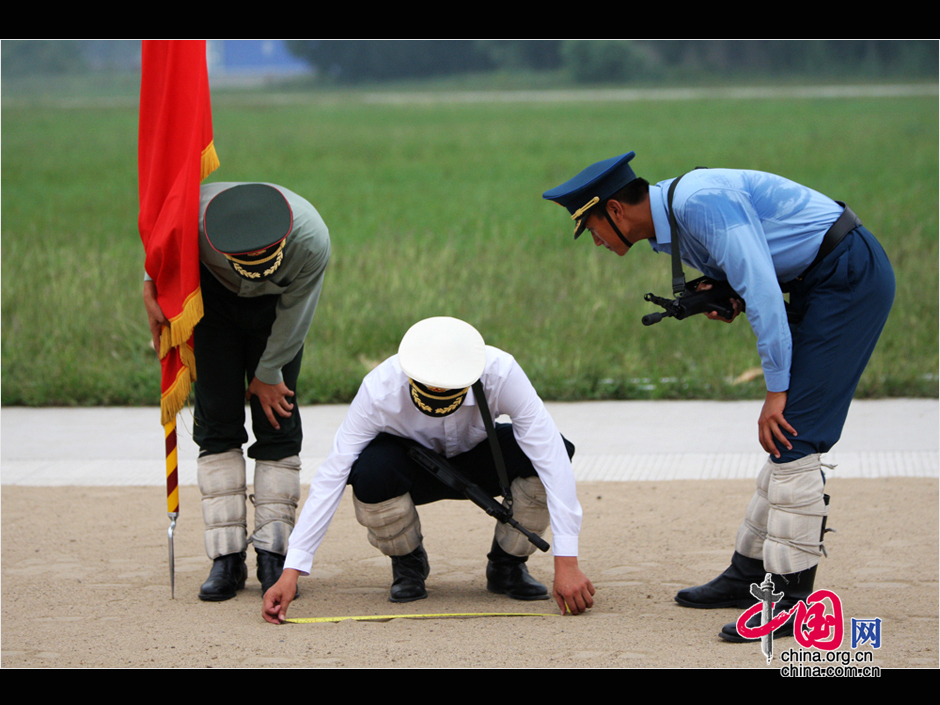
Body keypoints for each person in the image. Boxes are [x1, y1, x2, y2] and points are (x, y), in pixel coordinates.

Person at [543, 152, 894, 641]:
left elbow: (766, 293)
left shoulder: (699, 203)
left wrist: (775, 389)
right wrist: (726, 295)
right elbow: (752, 276)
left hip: (847, 278)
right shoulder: (677, 219)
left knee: (793, 435)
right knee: (784, 441)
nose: (597, 242)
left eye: (593, 229)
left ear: (617, 211)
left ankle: (792, 603)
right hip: (821, 279)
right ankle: (748, 576)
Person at [263, 316, 595, 624]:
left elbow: (550, 454)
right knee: (368, 471)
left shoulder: (501, 372)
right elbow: (331, 475)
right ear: (408, 375)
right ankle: (408, 564)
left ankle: (507, 566)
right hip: (410, 470)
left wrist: (567, 562)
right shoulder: (379, 388)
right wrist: (292, 570)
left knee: (557, 452)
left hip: (482, 459)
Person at [143, 182, 330, 601]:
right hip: (211, 304)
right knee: (216, 424)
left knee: (276, 418)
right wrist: (149, 284)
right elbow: (160, 244)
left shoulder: (312, 238)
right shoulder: (191, 222)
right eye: (239, 258)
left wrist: (268, 372)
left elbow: (297, 311)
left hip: (277, 313)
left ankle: (273, 554)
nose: (250, 262)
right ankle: (225, 559)